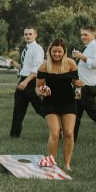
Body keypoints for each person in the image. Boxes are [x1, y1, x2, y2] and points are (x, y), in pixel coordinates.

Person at [36, 38, 81, 170]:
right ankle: (51, 162)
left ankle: (67, 164)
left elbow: (76, 84)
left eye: (59, 52)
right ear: (50, 51)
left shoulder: (71, 63)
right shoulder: (44, 66)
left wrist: (78, 88)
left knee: (69, 133)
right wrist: (40, 93)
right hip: (50, 103)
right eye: (54, 51)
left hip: (68, 102)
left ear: (64, 52)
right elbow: (37, 87)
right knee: (55, 133)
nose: (56, 54)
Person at [10, 27, 46, 137]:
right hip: (23, 79)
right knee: (18, 108)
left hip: (31, 82)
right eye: (26, 34)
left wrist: (25, 82)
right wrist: (14, 64)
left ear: (35, 35)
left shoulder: (37, 49)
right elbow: (25, 67)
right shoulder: (26, 48)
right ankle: (14, 135)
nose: (28, 36)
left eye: (30, 34)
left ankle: (58, 128)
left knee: (40, 108)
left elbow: (36, 68)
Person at [71, 25, 96, 140]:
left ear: (93, 34)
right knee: (76, 113)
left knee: (93, 113)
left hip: (87, 88)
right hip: (79, 87)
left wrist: (82, 57)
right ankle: (72, 138)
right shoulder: (87, 47)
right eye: (81, 34)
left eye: (85, 34)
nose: (83, 37)